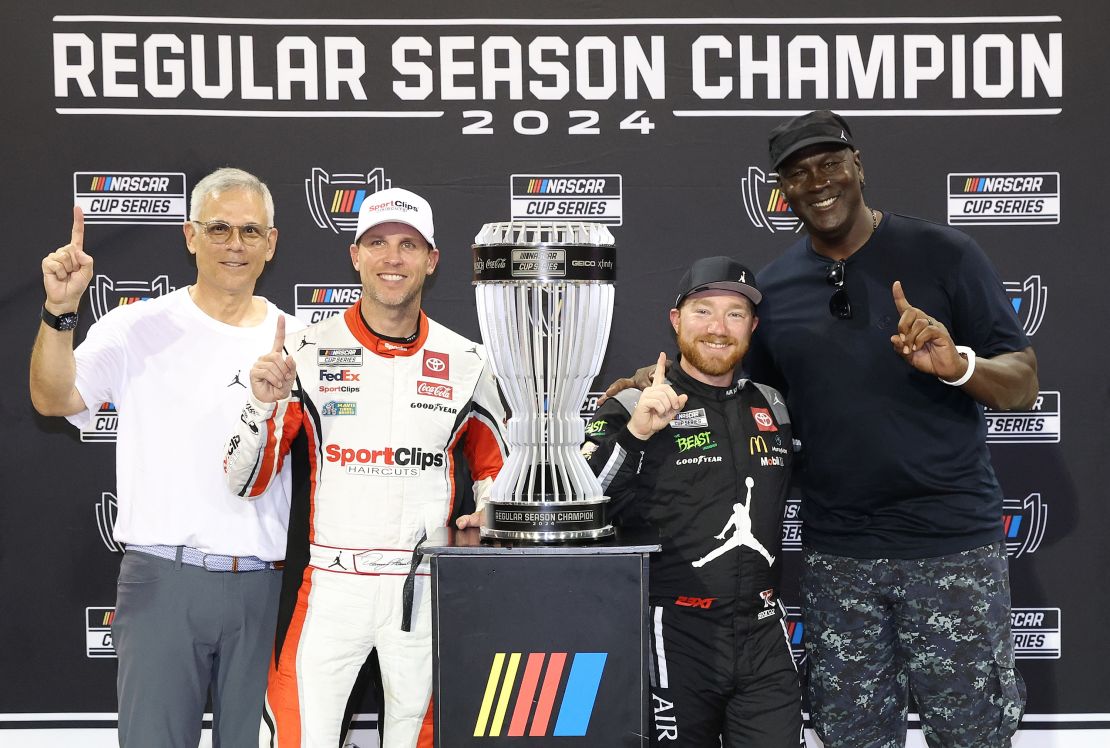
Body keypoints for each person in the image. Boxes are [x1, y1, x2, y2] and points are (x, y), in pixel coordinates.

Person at [751, 111, 1035, 747]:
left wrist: (959, 366)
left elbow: (1023, 382)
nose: (817, 182)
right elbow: (752, 403)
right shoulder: (771, 291)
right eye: (798, 173)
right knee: (850, 739)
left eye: (830, 163)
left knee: (973, 737)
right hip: (839, 556)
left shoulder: (946, 254)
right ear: (783, 191)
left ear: (858, 167)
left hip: (951, 546)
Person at [224, 187, 507, 748]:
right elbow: (243, 480)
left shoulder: (470, 360)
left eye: (408, 245)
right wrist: (261, 405)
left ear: (432, 259)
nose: (392, 259)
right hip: (330, 587)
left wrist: (489, 505)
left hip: (424, 587)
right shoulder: (302, 352)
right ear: (355, 255)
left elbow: (495, 465)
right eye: (377, 243)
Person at [30, 167, 300, 747]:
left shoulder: (299, 341)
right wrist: (59, 311)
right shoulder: (135, 326)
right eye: (219, 228)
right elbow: (53, 398)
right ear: (188, 235)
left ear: (271, 242)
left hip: (264, 592)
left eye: (251, 232)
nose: (235, 244)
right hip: (163, 583)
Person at [582, 256, 803, 748]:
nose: (718, 329)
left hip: (764, 633)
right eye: (703, 311)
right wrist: (638, 434)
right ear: (676, 320)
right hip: (674, 633)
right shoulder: (631, 404)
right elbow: (585, 503)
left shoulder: (772, 404)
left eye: (735, 314)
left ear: (753, 327)